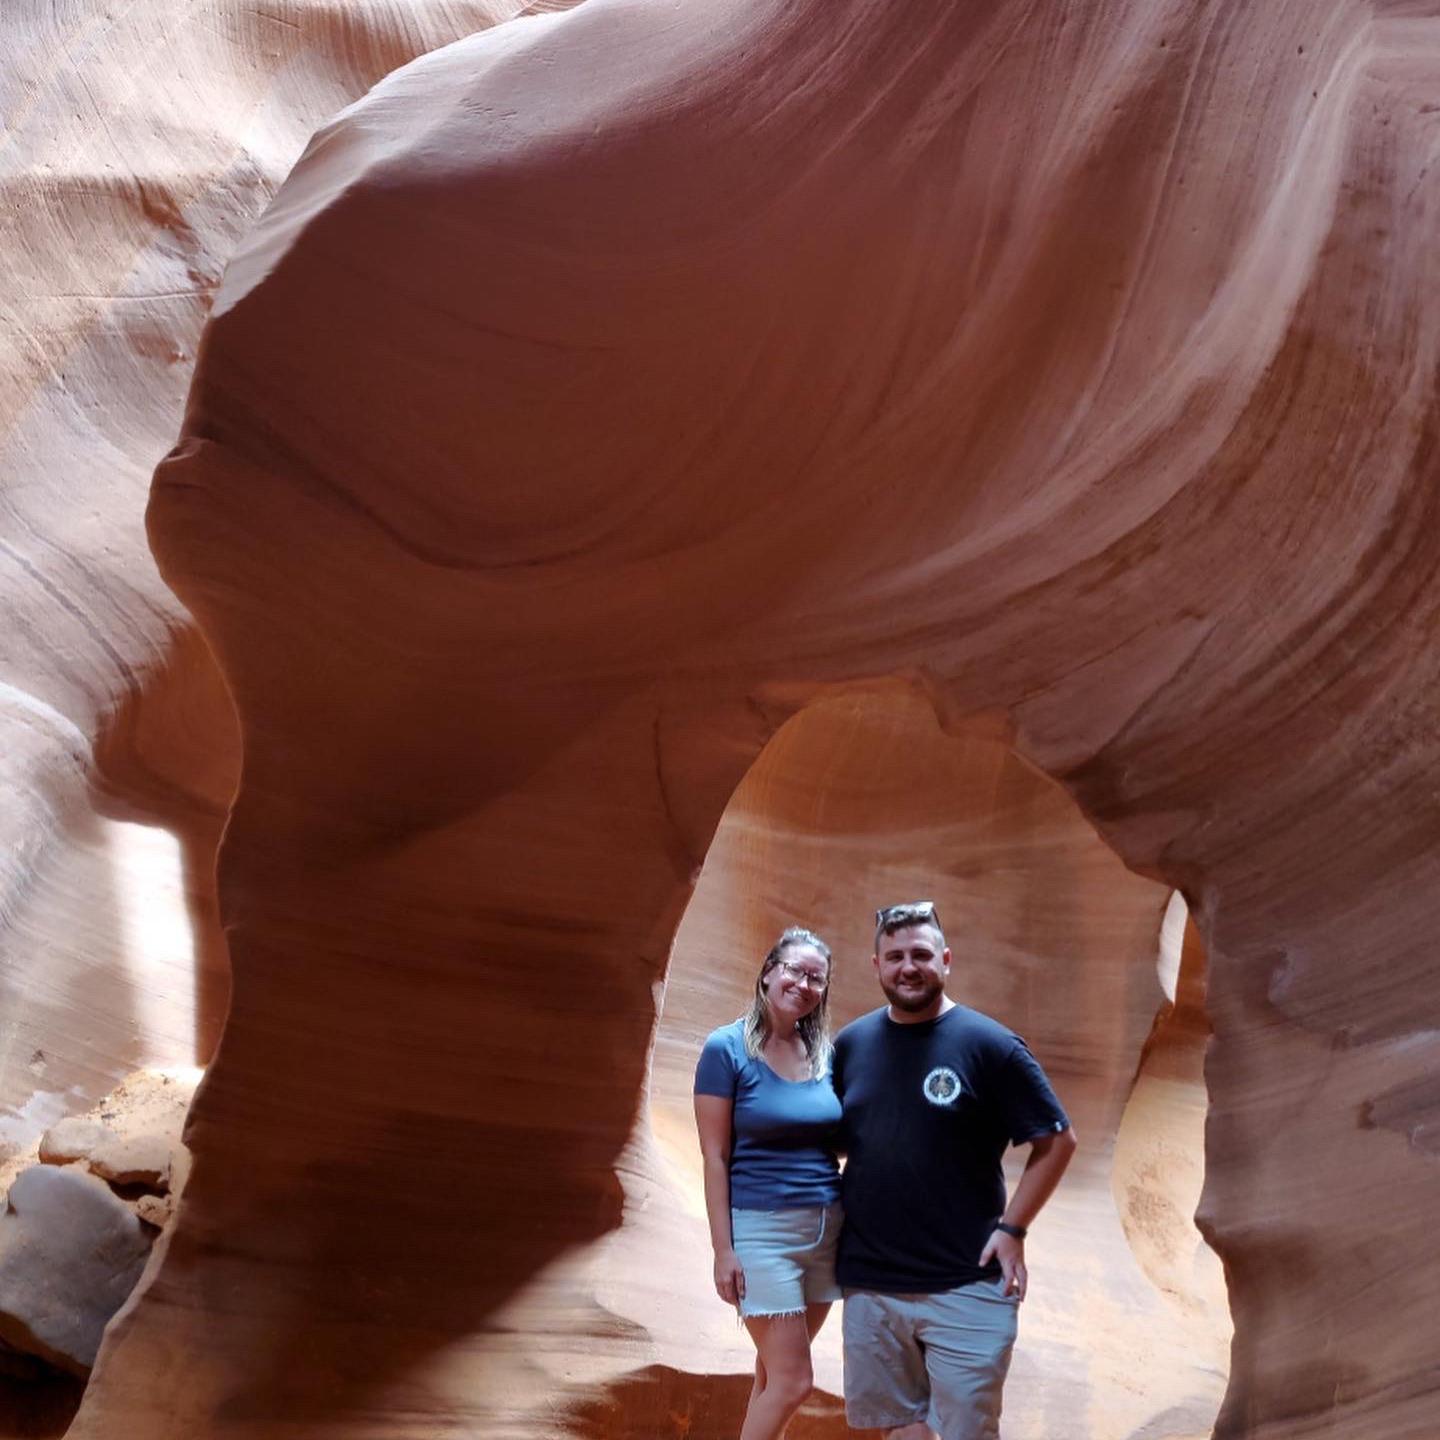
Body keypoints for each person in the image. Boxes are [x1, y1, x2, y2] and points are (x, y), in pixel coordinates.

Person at [832, 900, 1078, 1440]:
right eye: (894, 956)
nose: (908, 967)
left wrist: (1013, 1229)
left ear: (946, 960)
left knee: (969, 1430)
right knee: (900, 1429)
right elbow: (838, 1141)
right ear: (876, 966)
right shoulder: (850, 1045)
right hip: (872, 1281)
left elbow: (1057, 1140)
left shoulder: (990, 1046)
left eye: (921, 954)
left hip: (967, 1281)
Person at [694, 926, 843, 1440]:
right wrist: (723, 1251)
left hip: (827, 1234)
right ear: (768, 972)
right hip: (762, 1234)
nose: (803, 984)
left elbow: (833, 1137)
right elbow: (715, 1156)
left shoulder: (824, 1054)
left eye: (816, 978)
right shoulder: (727, 1048)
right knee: (794, 1381)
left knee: (770, 1376)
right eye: (794, 970)